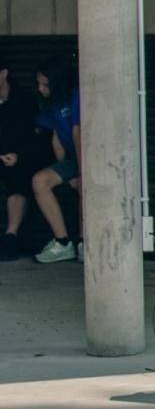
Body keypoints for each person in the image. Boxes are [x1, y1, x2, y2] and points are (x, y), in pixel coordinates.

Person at [30, 56, 81, 264]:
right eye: (38, 83)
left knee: (84, 186)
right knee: (39, 180)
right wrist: (63, 171)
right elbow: (56, 138)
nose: (40, 88)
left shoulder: (77, 95)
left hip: (92, 157)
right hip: (73, 159)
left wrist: (81, 173)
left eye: (45, 84)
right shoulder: (51, 104)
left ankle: (85, 242)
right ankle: (63, 242)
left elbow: (78, 136)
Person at [0, 55, 42, 260]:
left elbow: (35, 138)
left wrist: (18, 155)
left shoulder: (24, 100)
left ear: (3, 74)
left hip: (18, 157)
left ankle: (11, 236)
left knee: (19, 176)